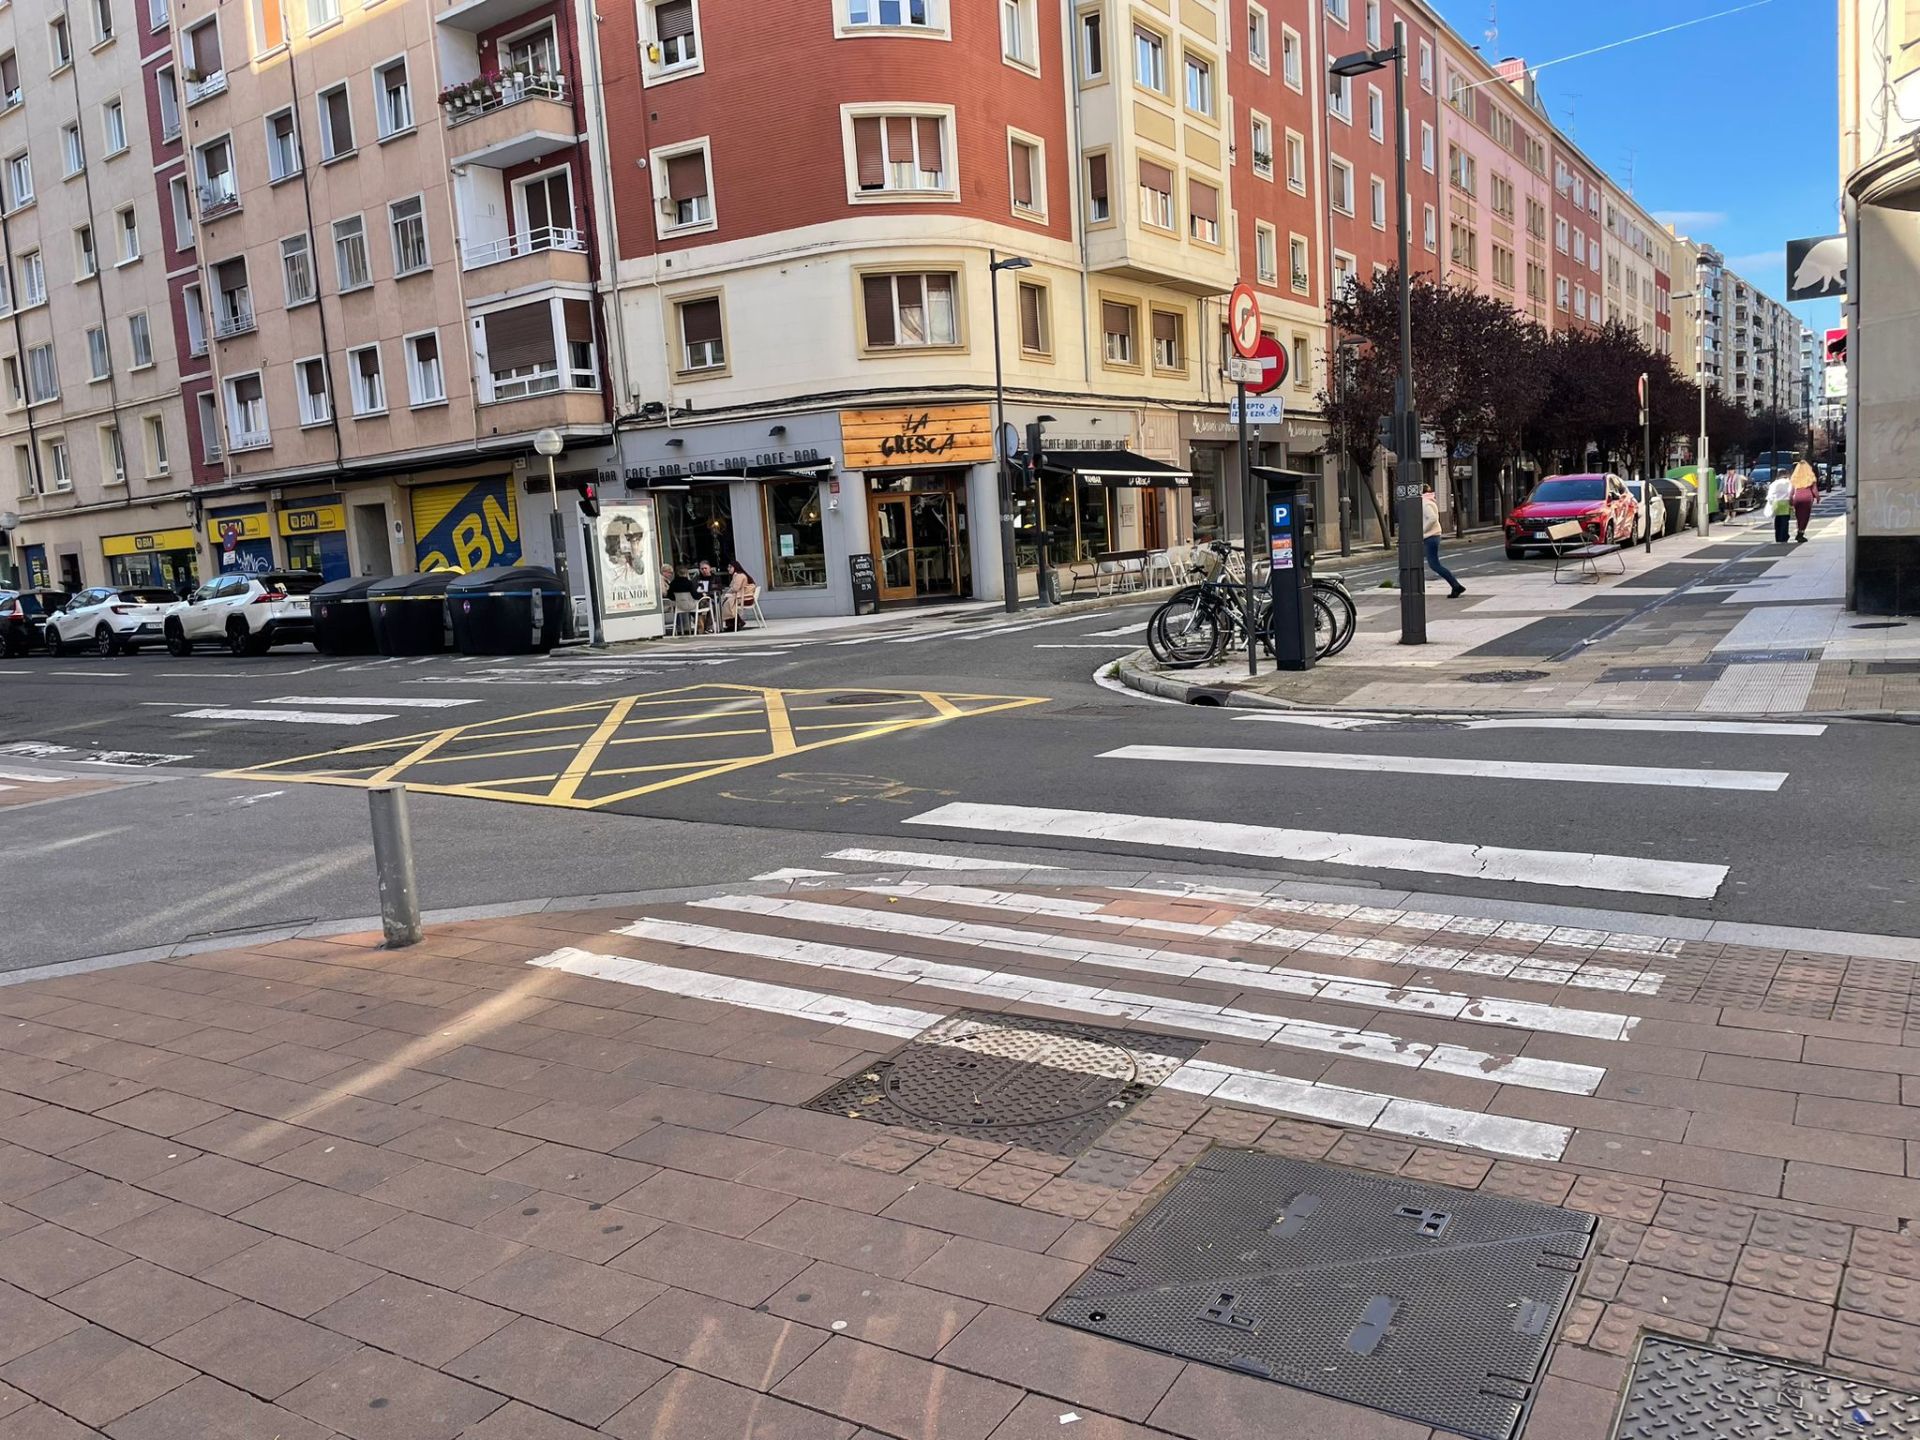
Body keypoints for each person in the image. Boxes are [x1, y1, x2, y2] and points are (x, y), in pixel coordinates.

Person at [1421, 483, 1465, 598]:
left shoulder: (1425, 503)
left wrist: (1421, 532)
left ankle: (1456, 586)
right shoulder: (1429, 501)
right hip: (1432, 536)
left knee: (1434, 565)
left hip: (1429, 537)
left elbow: (1432, 519)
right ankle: (1455, 585)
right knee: (1419, 562)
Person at [719, 562, 756, 630]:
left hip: (744, 598)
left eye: (730, 567)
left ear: (735, 567)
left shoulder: (739, 576)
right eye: (728, 567)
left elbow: (735, 588)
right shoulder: (738, 575)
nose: (728, 569)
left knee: (727, 603)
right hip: (743, 597)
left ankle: (734, 624)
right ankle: (736, 622)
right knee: (727, 602)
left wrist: (727, 592)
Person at [1789, 460, 1818, 543]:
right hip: (1807, 497)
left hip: (1797, 497)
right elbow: (1815, 490)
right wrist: (1818, 498)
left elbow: (1791, 491)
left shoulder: (1794, 477)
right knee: (1805, 516)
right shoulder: (1811, 477)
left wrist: (1790, 499)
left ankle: (1799, 530)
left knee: (1799, 516)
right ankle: (1801, 533)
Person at [1766, 468, 1794, 544]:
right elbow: (1791, 493)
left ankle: (1778, 537)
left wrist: (1771, 502)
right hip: (1785, 503)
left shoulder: (1774, 483)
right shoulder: (1789, 483)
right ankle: (1784, 537)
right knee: (1785, 521)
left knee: (1777, 520)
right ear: (1786, 474)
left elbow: (1770, 495)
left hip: (1776, 502)